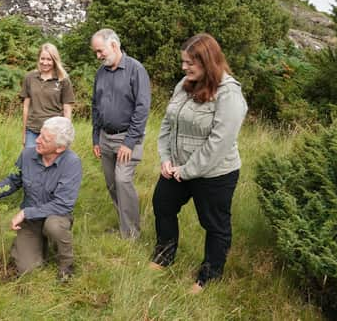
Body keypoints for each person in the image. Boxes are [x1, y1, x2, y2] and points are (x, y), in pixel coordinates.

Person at [150, 33, 247, 294]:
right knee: (162, 204)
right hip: (177, 166)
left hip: (215, 173)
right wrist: (166, 159)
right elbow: (168, 123)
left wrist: (187, 170)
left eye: (189, 63)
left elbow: (219, 142)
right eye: (183, 62)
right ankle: (164, 256)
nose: (184, 68)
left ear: (208, 61)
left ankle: (209, 275)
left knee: (214, 224)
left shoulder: (229, 93)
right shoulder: (184, 84)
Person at [0, 116, 82, 281]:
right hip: (31, 221)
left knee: (53, 227)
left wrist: (25, 213)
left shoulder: (72, 163)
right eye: (40, 135)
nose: (37, 140)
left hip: (56, 216)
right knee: (27, 269)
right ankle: (39, 247)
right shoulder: (27, 155)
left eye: (45, 139)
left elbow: (63, 204)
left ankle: (66, 265)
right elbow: (14, 180)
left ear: (59, 148)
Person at [90, 28, 151, 239]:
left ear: (114, 45)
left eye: (100, 51)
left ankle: (132, 234)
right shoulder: (101, 73)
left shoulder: (136, 70)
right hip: (105, 138)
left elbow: (142, 108)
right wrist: (95, 137)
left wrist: (129, 142)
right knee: (112, 184)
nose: (98, 56)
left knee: (123, 181)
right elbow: (95, 106)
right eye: (96, 52)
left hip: (128, 139)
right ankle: (124, 226)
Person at [21, 43, 75, 148]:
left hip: (54, 133)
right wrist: (24, 134)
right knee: (30, 162)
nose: (45, 62)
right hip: (32, 130)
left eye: (49, 59)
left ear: (55, 61)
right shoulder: (30, 77)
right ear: (38, 59)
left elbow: (67, 111)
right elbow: (26, 107)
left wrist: (66, 136)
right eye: (42, 58)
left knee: (50, 163)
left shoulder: (63, 80)